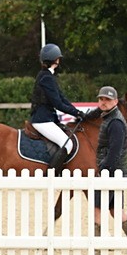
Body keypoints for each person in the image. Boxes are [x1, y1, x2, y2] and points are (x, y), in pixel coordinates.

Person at [29, 43, 85, 173]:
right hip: (42, 120)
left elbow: (62, 98)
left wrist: (77, 112)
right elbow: (58, 104)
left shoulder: (48, 75)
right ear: (56, 60)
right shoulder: (46, 77)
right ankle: (51, 173)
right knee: (68, 144)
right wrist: (76, 112)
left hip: (47, 118)